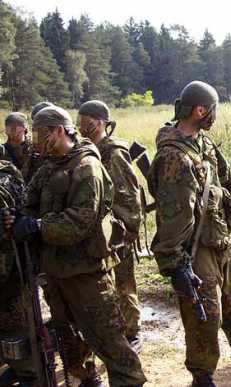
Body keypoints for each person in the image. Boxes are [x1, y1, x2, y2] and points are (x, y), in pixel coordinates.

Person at [147, 80, 231, 387]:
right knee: (205, 319)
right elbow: (172, 216)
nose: (214, 115)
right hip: (196, 252)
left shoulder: (204, 145)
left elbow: (224, 188)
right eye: (212, 110)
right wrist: (173, 265)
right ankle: (203, 378)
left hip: (222, 243)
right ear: (199, 110)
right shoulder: (174, 157)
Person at [3, 105, 146, 387]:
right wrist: (16, 217)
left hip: (87, 273)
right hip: (57, 272)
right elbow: (30, 200)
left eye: (40, 133)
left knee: (111, 343)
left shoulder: (86, 167)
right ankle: (88, 380)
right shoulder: (50, 165)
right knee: (71, 344)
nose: (35, 138)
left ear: (58, 131)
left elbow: (80, 221)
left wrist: (37, 226)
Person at [78, 100, 143, 349]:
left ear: (103, 123)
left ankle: (131, 331)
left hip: (118, 231)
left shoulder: (113, 153)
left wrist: (129, 230)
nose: (84, 129)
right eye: (81, 124)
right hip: (98, 234)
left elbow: (130, 195)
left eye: (89, 124)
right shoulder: (85, 152)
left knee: (124, 284)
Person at [0, 160, 35, 386]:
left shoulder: (5, 179)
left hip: (9, 276)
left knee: (17, 331)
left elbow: (20, 217)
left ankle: (28, 374)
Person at [1, 112, 41, 182]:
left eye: (16, 127)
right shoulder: (2, 150)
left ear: (24, 129)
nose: (13, 131)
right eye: (9, 127)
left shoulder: (35, 149)